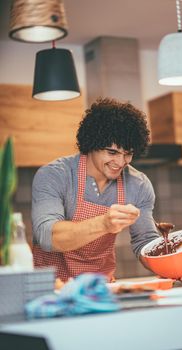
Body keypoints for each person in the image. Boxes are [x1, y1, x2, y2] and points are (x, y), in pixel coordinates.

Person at [32, 97, 159, 282]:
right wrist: (104, 224)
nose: (120, 162)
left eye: (128, 154)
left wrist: (175, 265)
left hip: (100, 289)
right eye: (112, 152)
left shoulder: (138, 185)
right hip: (50, 289)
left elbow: (145, 242)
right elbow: (46, 235)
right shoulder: (55, 175)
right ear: (91, 144)